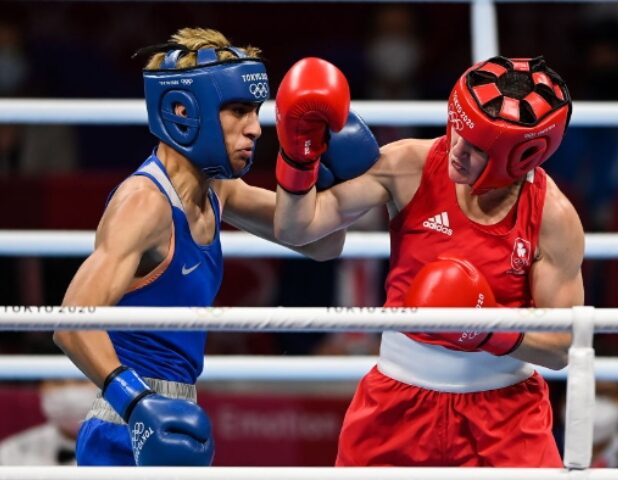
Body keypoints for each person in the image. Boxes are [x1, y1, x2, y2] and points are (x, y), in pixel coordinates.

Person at [52, 28, 378, 467]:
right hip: (125, 422)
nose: (255, 128)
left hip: (178, 414)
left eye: (256, 111)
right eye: (238, 111)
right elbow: (71, 323)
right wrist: (136, 404)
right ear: (185, 109)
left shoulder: (219, 189)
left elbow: (322, 242)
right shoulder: (144, 203)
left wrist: (313, 167)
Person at [273, 55, 584, 466]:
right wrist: (299, 157)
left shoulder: (552, 217)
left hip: (505, 418)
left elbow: (562, 348)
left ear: (522, 158)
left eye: (475, 148)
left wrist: (487, 330)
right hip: (396, 405)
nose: (456, 150)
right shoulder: (409, 166)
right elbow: (297, 230)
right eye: (457, 128)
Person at [0, 380, 95, 465]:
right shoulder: (10, 452)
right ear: (42, 387)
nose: (70, 394)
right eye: (58, 382)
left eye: (80, 381)